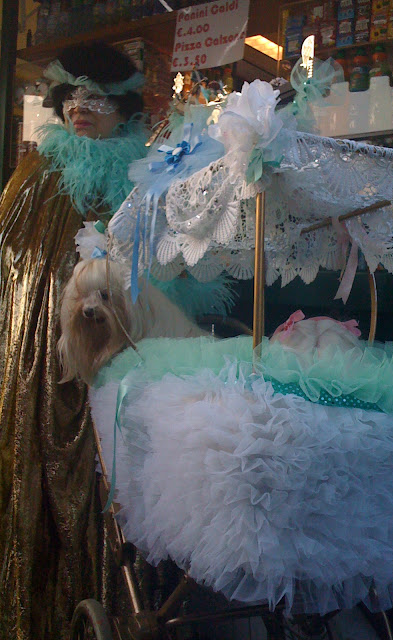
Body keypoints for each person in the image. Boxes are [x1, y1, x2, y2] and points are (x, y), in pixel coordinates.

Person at [0, 41, 149, 640]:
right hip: (37, 352)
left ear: (122, 109)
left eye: (98, 98)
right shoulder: (34, 176)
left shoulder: (139, 182)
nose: (82, 108)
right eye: (73, 96)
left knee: (106, 470)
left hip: (113, 350)